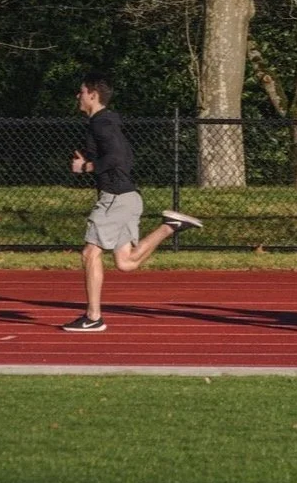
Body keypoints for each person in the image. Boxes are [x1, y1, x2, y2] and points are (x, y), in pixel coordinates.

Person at [62, 71, 203, 332]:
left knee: (90, 253)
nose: (78, 96)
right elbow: (126, 158)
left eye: (81, 92)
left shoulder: (101, 124)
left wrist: (86, 167)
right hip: (127, 198)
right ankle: (169, 226)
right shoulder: (108, 123)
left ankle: (93, 317)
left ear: (93, 96)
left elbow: (116, 158)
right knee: (126, 263)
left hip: (115, 199)